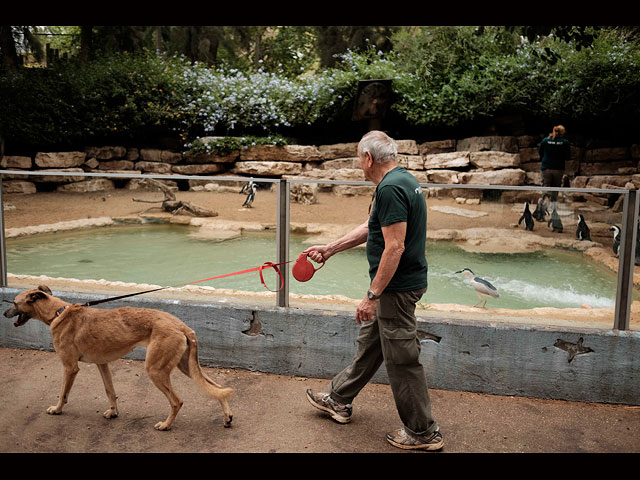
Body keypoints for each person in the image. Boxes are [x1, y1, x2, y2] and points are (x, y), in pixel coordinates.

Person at [304, 130, 443, 451]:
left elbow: (394, 247)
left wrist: (372, 295)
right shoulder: (402, 180)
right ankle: (339, 399)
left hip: (395, 288)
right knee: (371, 344)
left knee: (402, 359)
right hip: (400, 284)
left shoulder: (391, 188)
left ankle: (422, 432)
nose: (358, 163)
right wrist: (330, 248)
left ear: (368, 158)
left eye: (358, 156)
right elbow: (373, 227)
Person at [539, 125, 570, 203]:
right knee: (555, 188)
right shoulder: (565, 142)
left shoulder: (545, 140)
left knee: (545, 186)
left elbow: (540, 152)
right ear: (563, 132)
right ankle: (553, 205)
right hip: (558, 168)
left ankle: (543, 205)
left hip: (546, 167)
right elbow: (567, 156)